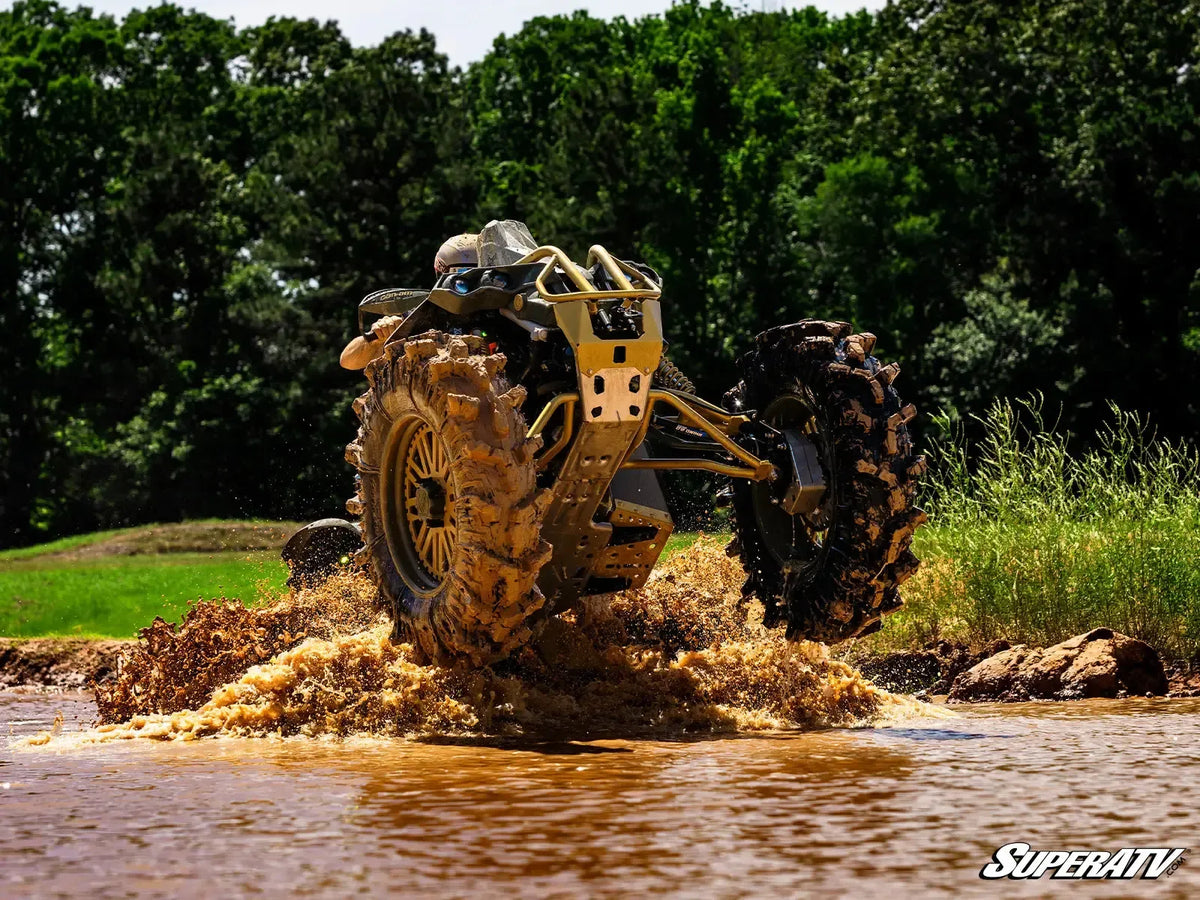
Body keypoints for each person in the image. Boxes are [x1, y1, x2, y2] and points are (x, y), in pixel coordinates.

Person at [339, 233, 479, 370]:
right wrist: (376, 339)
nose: (471, 283)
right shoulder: (423, 314)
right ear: (443, 274)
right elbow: (348, 361)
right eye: (463, 274)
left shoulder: (500, 310)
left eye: (480, 275)